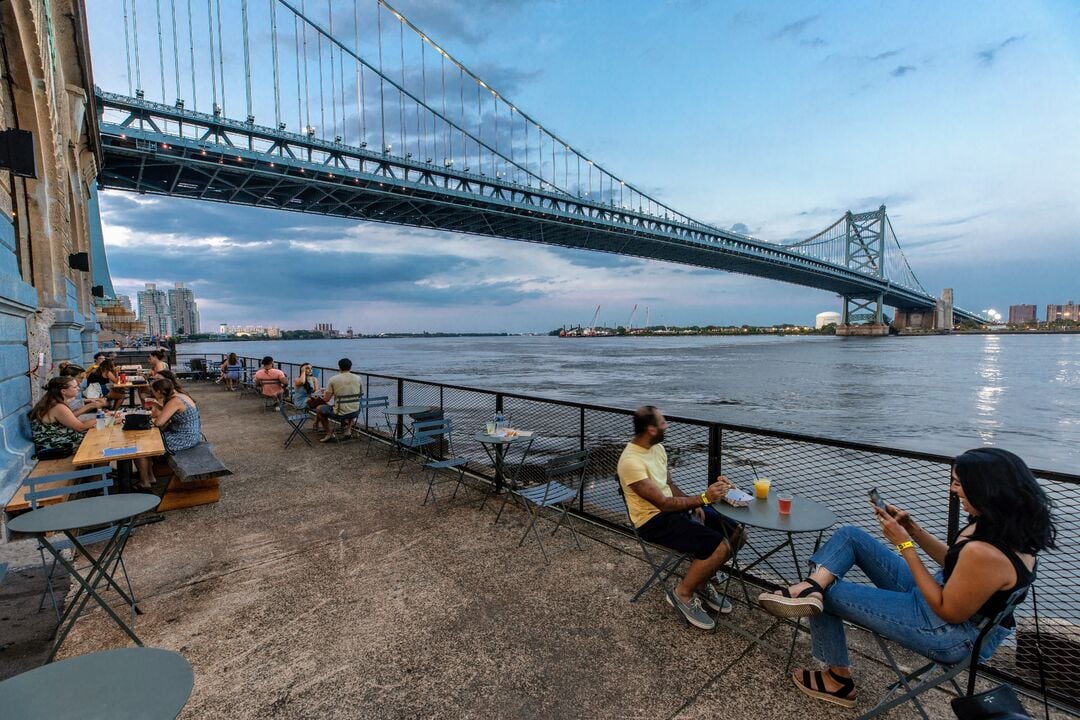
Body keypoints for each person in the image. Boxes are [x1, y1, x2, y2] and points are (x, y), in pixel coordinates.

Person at [757, 448, 1055, 709]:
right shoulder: (1002, 526)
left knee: (828, 597)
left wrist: (904, 545)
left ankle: (837, 679)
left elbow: (947, 610)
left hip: (949, 633)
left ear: (986, 488)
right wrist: (914, 530)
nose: (954, 490)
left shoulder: (987, 552)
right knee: (851, 536)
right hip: (945, 599)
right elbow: (955, 563)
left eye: (959, 484)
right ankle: (813, 586)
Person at [617, 406, 743, 630]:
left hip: (673, 511)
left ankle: (702, 583)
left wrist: (694, 504)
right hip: (653, 521)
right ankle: (682, 593)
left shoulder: (657, 448)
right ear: (651, 429)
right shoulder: (630, 462)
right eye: (663, 422)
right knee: (719, 546)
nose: (667, 425)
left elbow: (669, 486)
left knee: (737, 533)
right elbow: (662, 503)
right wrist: (703, 498)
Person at [134, 377, 201, 490]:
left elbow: (159, 422)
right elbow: (167, 413)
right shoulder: (179, 396)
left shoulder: (174, 401)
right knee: (146, 441)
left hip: (184, 437)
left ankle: (145, 481)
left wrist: (155, 406)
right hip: (190, 434)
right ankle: (149, 476)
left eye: (153, 392)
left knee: (141, 447)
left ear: (159, 392)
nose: (153, 394)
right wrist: (158, 405)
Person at [28, 377, 95, 456]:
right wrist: (102, 418)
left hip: (57, 440)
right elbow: (80, 427)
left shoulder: (53, 402)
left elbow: (74, 422)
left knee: (94, 436)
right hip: (54, 446)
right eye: (74, 387)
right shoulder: (58, 407)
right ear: (63, 391)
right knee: (95, 442)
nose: (78, 388)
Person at [314, 358, 363, 442]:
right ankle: (348, 430)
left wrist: (323, 394)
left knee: (319, 409)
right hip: (356, 411)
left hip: (340, 413)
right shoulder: (358, 378)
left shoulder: (333, 379)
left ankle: (329, 433)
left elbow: (326, 399)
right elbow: (361, 394)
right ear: (350, 367)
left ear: (339, 367)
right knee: (350, 406)